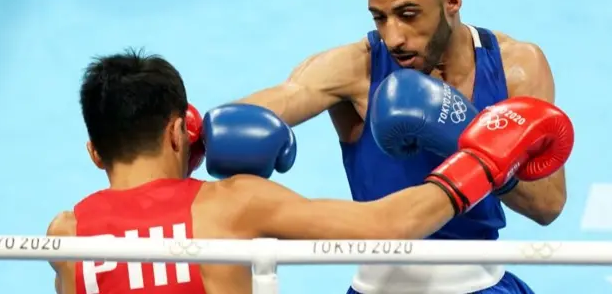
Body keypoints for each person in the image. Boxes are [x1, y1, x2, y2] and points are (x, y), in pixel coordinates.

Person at [46, 50, 572, 294]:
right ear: (175, 131)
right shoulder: (231, 203)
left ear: (95, 151)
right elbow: (385, 228)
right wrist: (480, 161)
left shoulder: (66, 237)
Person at [234, 0, 568, 292]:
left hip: (482, 285)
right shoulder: (356, 68)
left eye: (408, 15)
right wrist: (196, 133)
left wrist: (468, 135)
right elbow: (250, 116)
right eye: (380, 17)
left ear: (452, 0)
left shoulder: (514, 66)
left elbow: (547, 204)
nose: (393, 37)